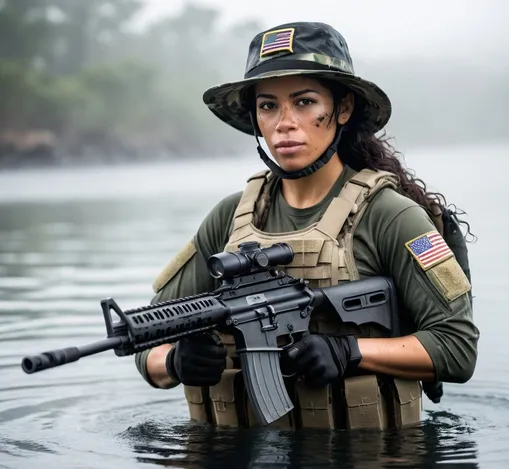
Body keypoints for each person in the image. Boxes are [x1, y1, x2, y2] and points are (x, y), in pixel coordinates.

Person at [134, 21, 479, 429]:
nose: (284, 123)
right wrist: (173, 362)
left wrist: (349, 351)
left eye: (304, 102)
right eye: (268, 106)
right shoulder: (228, 218)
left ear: (343, 108)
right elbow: (147, 340)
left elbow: (457, 347)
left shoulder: (391, 216)